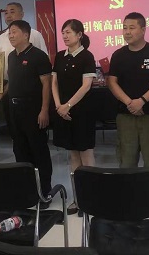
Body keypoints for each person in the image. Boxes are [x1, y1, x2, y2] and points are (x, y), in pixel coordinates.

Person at [107, 12, 149, 188]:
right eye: (124, 28)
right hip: (125, 116)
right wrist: (130, 102)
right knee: (126, 162)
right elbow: (112, 82)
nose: (127, 32)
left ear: (143, 30)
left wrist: (142, 101)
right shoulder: (118, 55)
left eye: (132, 28)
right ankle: (131, 199)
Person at [5, 20, 53, 207]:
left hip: (33, 110)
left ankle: (45, 192)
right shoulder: (11, 56)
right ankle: (27, 190)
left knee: (38, 150)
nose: (11, 36)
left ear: (26, 34)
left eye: (14, 32)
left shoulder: (38, 56)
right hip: (14, 109)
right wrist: (1, 92)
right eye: (9, 33)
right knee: (20, 150)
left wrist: (44, 110)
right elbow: (13, 82)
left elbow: (46, 84)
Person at [51, 19, 96, 215]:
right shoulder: (60, 56)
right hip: (63, 111)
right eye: (63, 33)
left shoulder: (87, 56)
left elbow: (86, 86)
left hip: (81, 111)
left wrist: (68, 105)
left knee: (86, 153)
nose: (65, 36)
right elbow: (54, 83)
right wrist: (59, 106)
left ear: (79, 35)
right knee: (73, 155)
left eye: (68, 32)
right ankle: (77, 198)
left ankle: (91, 198)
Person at [0, 2, 48, 79]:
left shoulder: (35, 35)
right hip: (8, 82)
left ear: (22, 14)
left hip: (32, 81)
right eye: (6, 13)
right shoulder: (1, 38)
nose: (8, 16)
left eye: (12, 12)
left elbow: (44, 60)